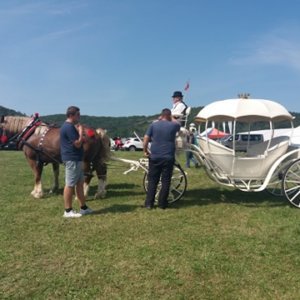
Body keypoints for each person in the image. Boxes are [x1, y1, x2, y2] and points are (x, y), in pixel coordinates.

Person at [143, 108, 181, 209]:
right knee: (166, 181)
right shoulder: (173, 125)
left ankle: (148, 204)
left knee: (152, 181)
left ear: (161, 115)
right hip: (168, 156)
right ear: (169, 116)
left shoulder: (153, 125)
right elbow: (178, 123)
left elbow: (146, 138)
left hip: (155, 156)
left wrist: (145, 150)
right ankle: (162, 203)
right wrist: (171, 117)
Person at [60, 106, 93, 218]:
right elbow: (78, 143)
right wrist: (80, 132)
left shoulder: (70, 126)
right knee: (69, 185)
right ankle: (68, 210)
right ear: (71, 115)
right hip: (72, 159)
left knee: (79, 184)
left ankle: (83, 208)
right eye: (78, 115)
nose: (79, 117)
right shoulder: (68, 127)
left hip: (76, 159)